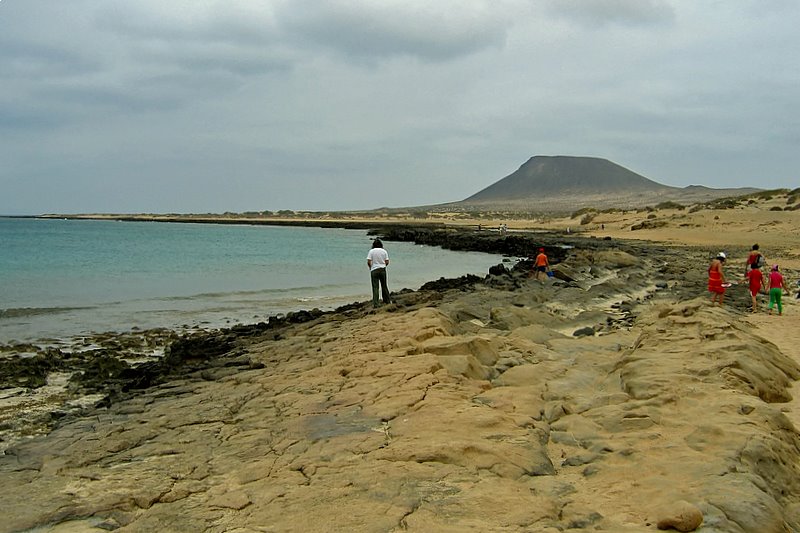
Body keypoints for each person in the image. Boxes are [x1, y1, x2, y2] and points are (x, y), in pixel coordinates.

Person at [366, 239, 391, 308]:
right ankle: (387, 300)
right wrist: (383, 266)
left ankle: (376, 303)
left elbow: (369, 261)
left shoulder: (371, 251)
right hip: (382, 269)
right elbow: (387, 261)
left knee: (375, 287)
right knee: (384, 286)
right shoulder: (384, 251)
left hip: (374, 270)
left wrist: (370, 267)